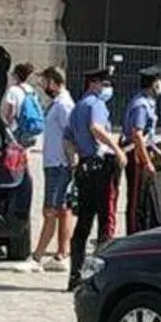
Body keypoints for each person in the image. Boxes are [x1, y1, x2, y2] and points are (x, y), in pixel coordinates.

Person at [67, 68, 125, 290]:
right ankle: (101, 277)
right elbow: (96, 128)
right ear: (93, 83)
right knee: (105, 221)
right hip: (101, 167)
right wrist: (117, 150)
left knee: (82, 224)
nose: (106, 88)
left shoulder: (78, 107)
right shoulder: (95, 104)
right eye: (103, 83)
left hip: (85, 167)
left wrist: (76, 162)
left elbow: (68, 139)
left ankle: (75, 274)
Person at [30, 67, 77, 272]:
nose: (43, 87)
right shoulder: (57, 104)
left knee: (51, 210)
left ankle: (38, 255)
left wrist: (72, 161)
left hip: (59, 164)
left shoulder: (64, 105)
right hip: (53, 163)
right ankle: (60, 254)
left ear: (55, 82)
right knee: (60, 210)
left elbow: (72, 134)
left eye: (46, 82)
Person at [122, 67, 161, 234]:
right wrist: (147, 162)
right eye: (158, 80)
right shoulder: (141, 105)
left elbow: (147, 137)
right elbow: (137, 135)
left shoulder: (148, 102)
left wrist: (158, 152)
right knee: (136, 200)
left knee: (144, 200)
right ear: (153, 84)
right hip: (135, 155)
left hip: (141, 151)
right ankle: (133, 234)